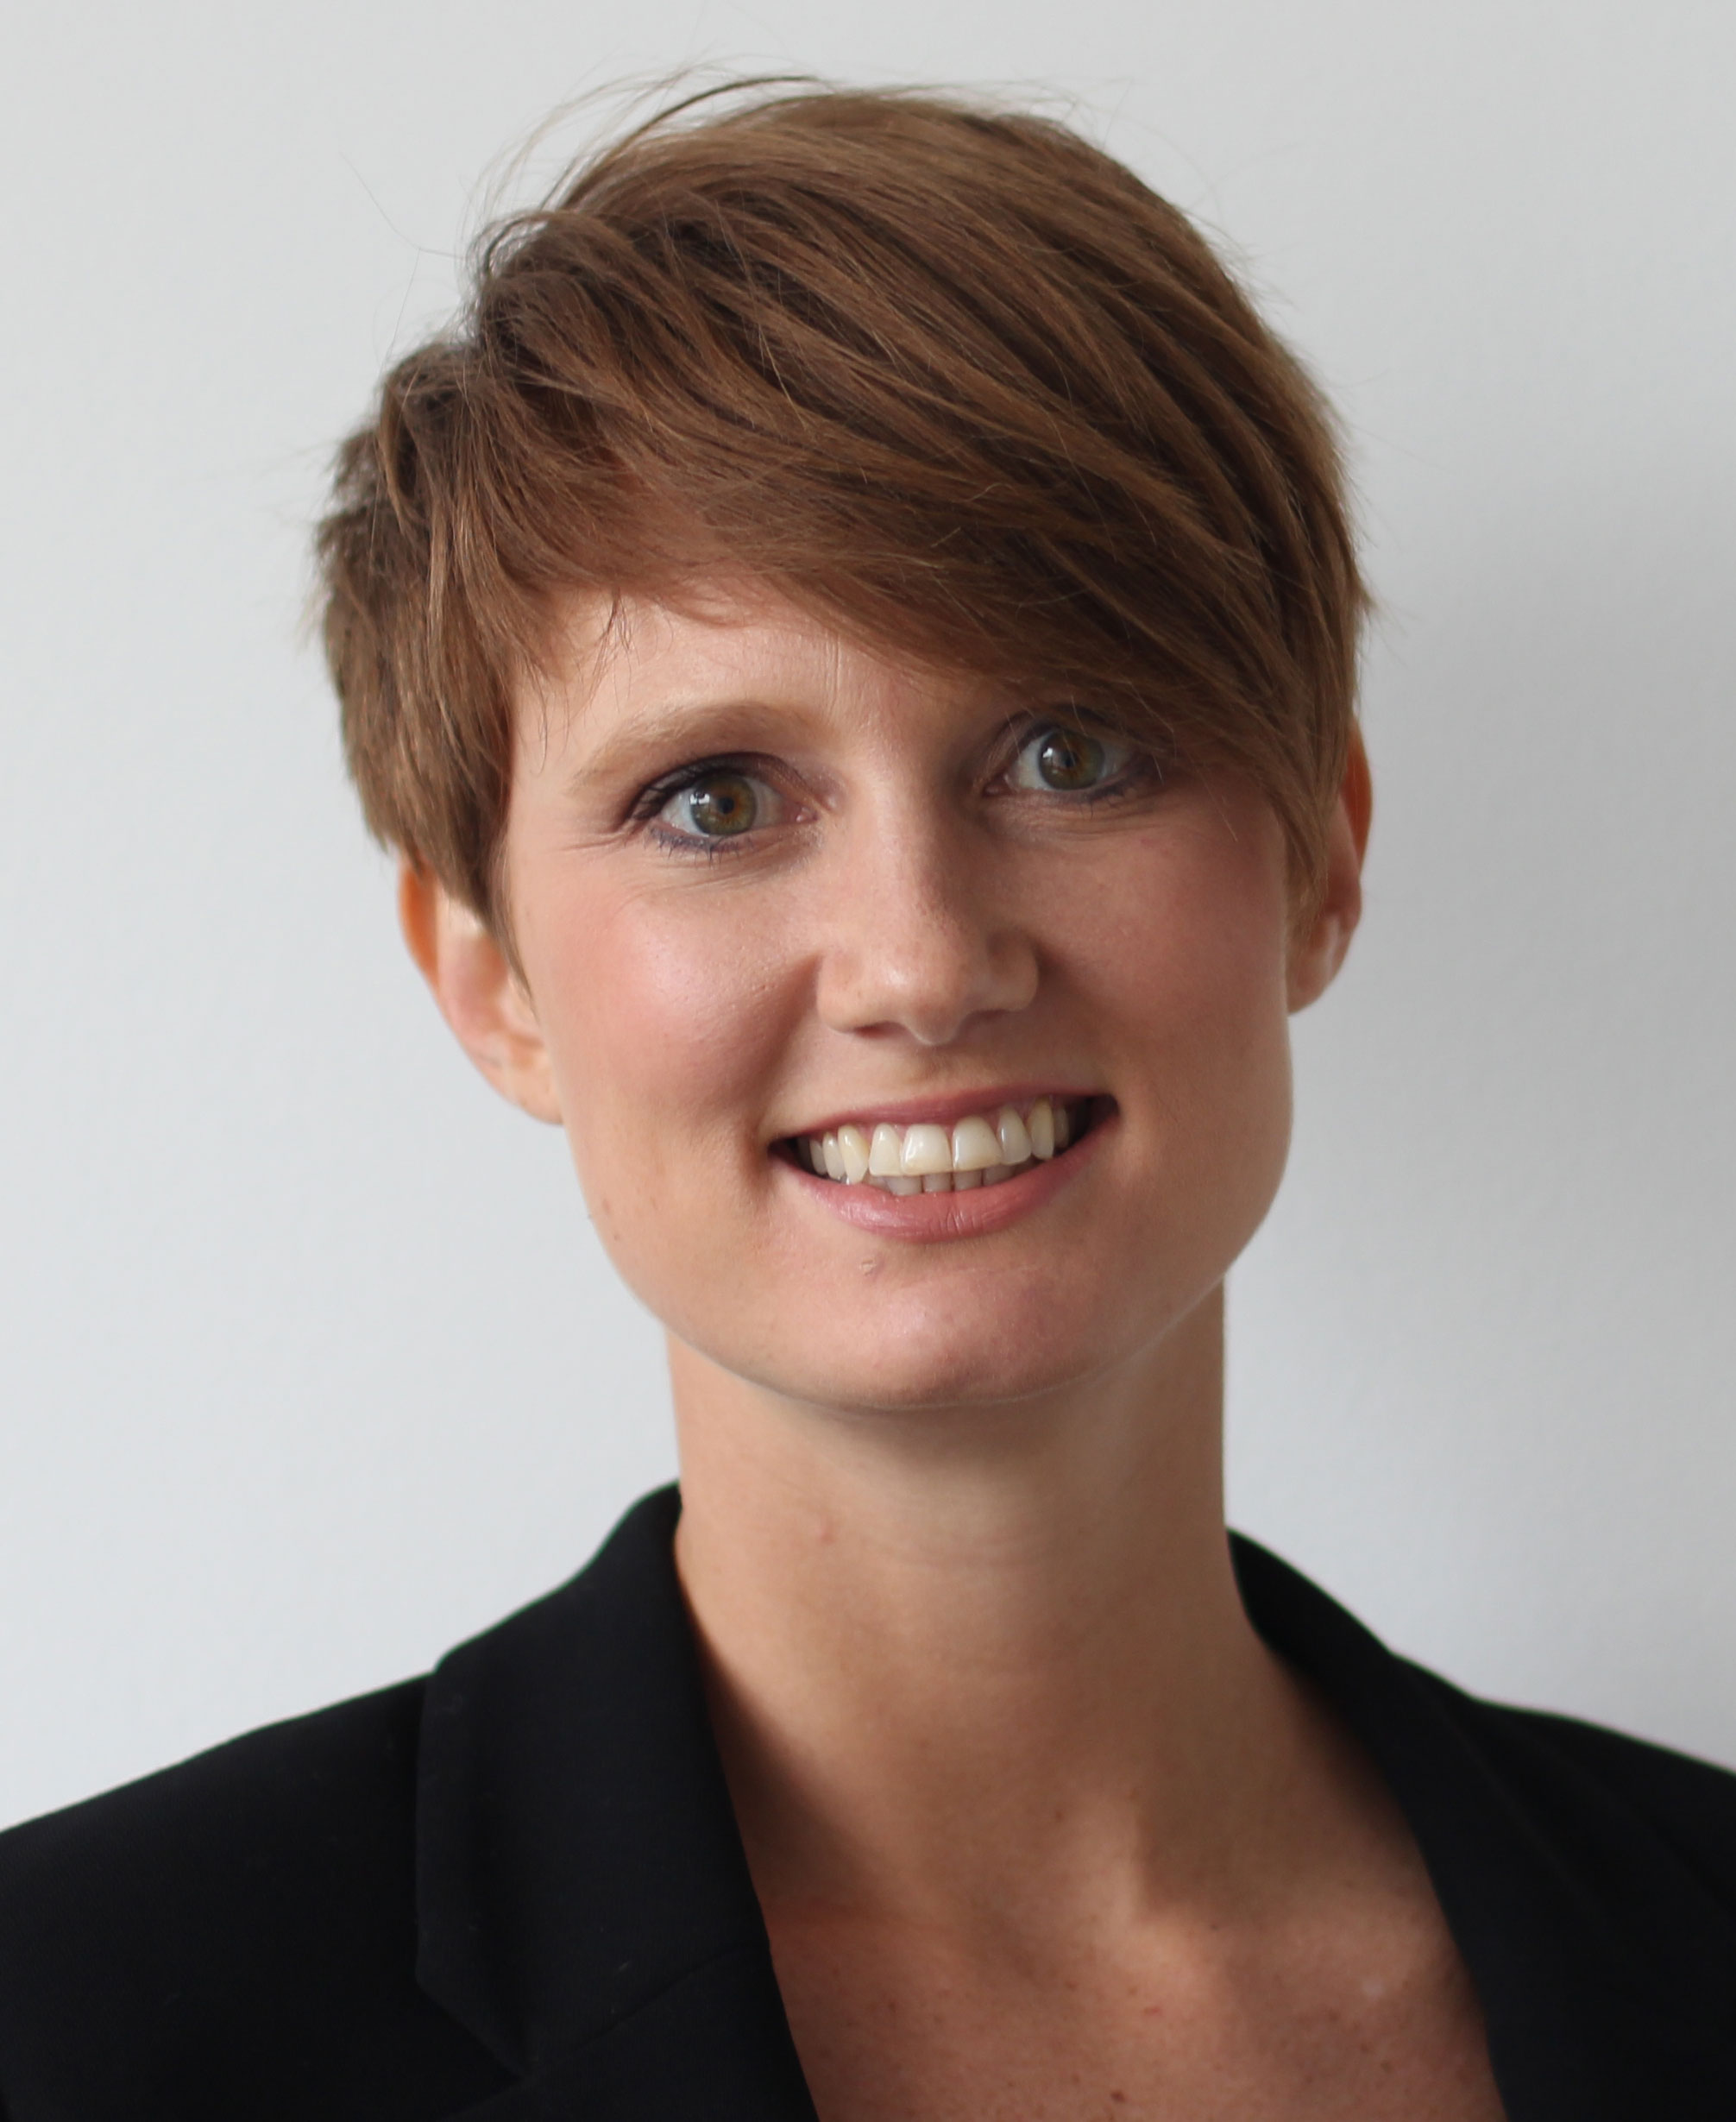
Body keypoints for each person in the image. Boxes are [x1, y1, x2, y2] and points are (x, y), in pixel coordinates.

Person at [1, 79, 1733, 2122]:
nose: (921, 963)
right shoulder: (78, 2028)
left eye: (1072, 753)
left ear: (1319, 859)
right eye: (715, 802)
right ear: (493, 984)